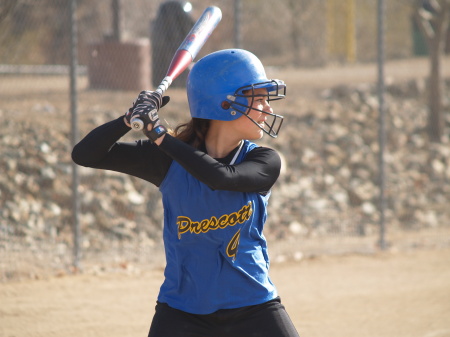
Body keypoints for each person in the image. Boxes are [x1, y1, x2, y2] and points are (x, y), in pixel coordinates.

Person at [72, 49, 300, 337]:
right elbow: (85, 155)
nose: (268, 109)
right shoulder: (167, 162)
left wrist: (160, 136)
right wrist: (128, 119)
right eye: (259, 99)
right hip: (183, 312)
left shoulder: (264, 161)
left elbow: (219, 177)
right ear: (226, 103)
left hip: (253, 306)